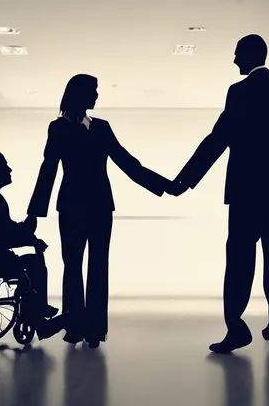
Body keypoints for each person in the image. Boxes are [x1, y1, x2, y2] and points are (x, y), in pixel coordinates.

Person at [169, 34, 269, 353]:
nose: (233, 61)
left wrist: (184, 180)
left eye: (236, 55)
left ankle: (236, 327)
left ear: (249, 54)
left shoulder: (240, 92)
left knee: (240, 260)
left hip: (245, 192)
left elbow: (218, 138)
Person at [25, 74, 178, 348]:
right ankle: (75, 327)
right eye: (93, 91)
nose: (97, 96)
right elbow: (47, 168)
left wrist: (163, 185)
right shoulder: (58, 128)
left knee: (97, 266)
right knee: (73, 267)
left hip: (95, 207)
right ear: (80, 94)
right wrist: (35, 211)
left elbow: (128, 163)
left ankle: (92, 329)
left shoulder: (101, 127)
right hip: (77, 207)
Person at [0, 151, 63, 339]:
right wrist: (31, 236)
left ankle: (36, 311)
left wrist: (27, 235)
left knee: (30, 261)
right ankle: (38, 316)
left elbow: (4, 231)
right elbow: (4, 235)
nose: (9, 169)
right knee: (34, 264)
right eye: (4, 165)